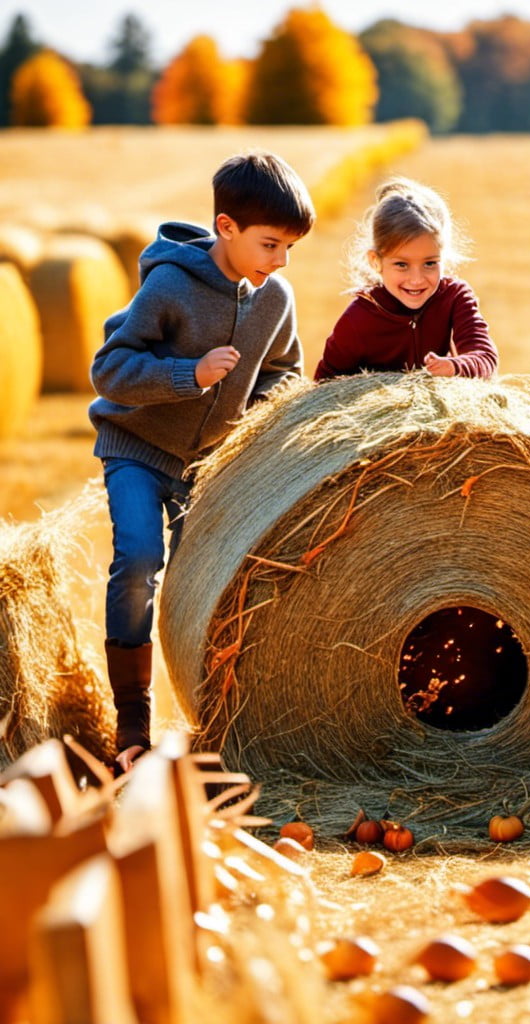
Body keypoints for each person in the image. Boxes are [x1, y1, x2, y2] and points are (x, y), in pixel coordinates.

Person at [90, 150, 316, 773]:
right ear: (226, 228)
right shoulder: (169, 285)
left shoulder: (277, 300)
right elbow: (107, 370)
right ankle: (132, 721)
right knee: (138, 560)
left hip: (207, 468)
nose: (280, 261)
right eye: (270, 245)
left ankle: (215, 717)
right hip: (136, 450)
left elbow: (282, 372)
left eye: (289, 248)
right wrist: (188, 375)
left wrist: (262, 421)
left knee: (211, 584)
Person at [313, 177, 497, 380]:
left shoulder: (454, 297)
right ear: (376, 261)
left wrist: (454, 366)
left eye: (430, 263)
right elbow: (326, 382)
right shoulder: (359, 318)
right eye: (401, 265)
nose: (416, 279)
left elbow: (485, 358)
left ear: (443, 257)